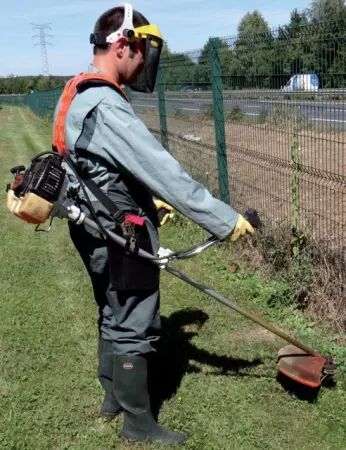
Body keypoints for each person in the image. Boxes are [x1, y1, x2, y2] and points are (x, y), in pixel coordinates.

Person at [53, 3, 254, 445]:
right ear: (122, 45)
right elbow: (164, 170)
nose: (145, 62)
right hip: (120, 233)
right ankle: (139, 425)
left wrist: (147, 200)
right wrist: (224, 219)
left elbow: (96, 168)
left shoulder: (77, 89)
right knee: (134, 320)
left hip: (91, 225)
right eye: (143, 51)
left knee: (110, 308)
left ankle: (111, 399)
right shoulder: (106, 104)